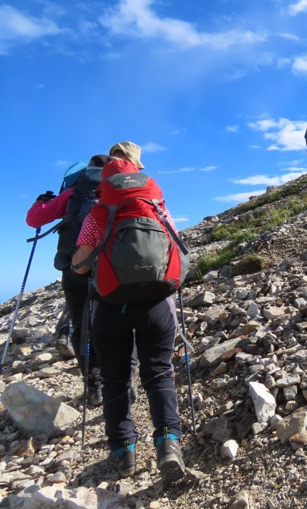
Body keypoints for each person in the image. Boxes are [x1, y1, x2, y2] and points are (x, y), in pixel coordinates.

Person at [71, 147, 186, 482]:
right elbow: (177, 249)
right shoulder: (157, 206)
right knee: (159, 373)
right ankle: (169, 443)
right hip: (156, 305)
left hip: (112, 308)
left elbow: (79, 266)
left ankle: (123, 452)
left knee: (116, 378)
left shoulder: (97, 212)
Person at [26, 153, 112, 404]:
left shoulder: (74, 191)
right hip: (114, 268)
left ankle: (94, 386)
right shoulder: (119, 189)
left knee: (82, 324)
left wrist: (40, 202)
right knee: (117, 321)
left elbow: (34, 219)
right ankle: (124, 381)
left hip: (76, 267)